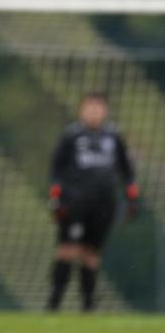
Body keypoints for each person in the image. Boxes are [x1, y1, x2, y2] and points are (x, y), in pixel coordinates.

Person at [47, 92, 139, 312]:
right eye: (90, 107)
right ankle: (54, 302)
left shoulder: (114, 136)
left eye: (98, 108)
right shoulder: (72, 136)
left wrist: (131, 196)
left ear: (105, 111)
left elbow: (127, 171)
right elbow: (56, 169)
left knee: (91, 253)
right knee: (68, 249)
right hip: (75, 202)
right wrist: (56, 197)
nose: (94, 112)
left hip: (104, 204)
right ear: (82, 110)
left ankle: (88, 305)